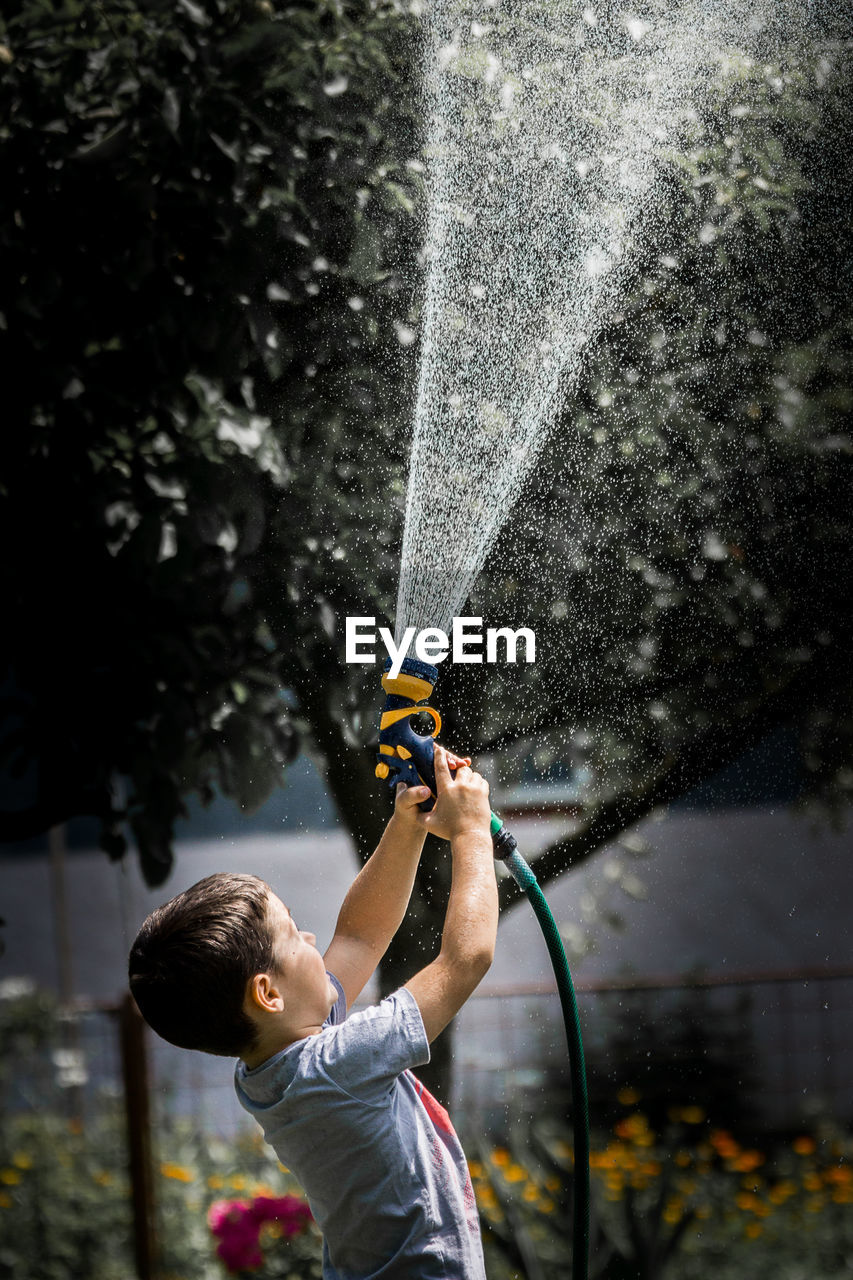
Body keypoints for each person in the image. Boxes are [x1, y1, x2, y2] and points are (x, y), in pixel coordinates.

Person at [128, 744, 498, 1279]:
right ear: (267, 994)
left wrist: (408, 823)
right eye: (293, 936)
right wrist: (471, 831)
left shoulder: (270, 1067)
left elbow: (359, 935)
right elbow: (467, 959)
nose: (310, 937)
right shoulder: (339, 1064)